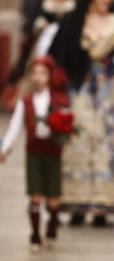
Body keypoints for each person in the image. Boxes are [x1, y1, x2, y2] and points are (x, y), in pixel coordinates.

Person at [49, 0, 114, 228]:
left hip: (110, 91)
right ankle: (76, 202)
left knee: (110, 143)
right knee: (78, 141)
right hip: (81, 89)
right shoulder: (74, 22)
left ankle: (103, 203)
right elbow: (59, 56)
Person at [0, 56, 71, 250]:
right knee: (35, 195)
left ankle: (52, 226)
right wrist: (5, 149)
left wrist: (64, 133)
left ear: (50, 76)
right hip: (34, 152)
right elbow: (15, 127)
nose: (38, 77)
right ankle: (34, 235)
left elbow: (68, 124)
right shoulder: (26, 102)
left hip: (53, 152)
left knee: (54, 198)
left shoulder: (58, 100)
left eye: (43, 73)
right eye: (35, 73)